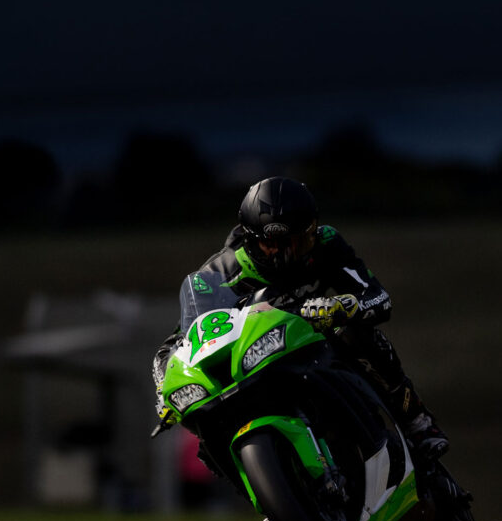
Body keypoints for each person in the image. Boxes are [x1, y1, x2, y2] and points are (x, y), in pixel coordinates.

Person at [152, 176, 449, 462]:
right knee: (206, 434)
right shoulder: (218, 274)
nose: (289, 253)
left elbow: (378, 298)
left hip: (317, 342)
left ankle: (416, 419)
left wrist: (343, 307)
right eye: (275, 244)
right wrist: (164, 388)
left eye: (300, 240)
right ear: (252, 239)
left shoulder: (327, 243)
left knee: (357, 332)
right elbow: (181, 341)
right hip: (257, 363)